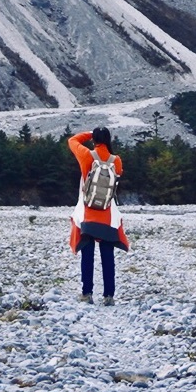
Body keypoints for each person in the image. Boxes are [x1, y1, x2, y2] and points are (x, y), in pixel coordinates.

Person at [68, 126, 129, 305]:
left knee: (87, 254)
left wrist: (88, 133)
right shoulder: (116, 160)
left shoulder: (87, 156)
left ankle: (87, 294)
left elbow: (72, 141)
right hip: (108, 215)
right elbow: (118, 176)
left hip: (88, 214)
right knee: (107, 256)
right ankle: (109, 296)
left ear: (94, 139)